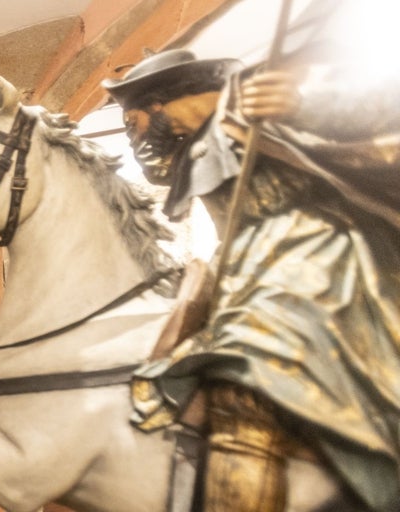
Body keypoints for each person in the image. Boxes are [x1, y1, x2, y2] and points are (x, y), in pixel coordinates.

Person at [103, 38, 400, 511]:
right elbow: (161, 171)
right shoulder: (196, 147)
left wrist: (303, 106)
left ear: (158, 103)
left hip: (311, 256)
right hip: (249, 267)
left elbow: (372, 108)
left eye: (132, 123)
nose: (132, 138)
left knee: (246, 389)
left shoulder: (261, 103)